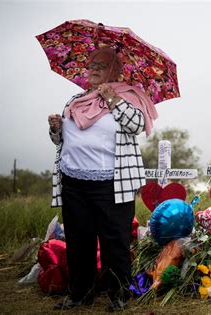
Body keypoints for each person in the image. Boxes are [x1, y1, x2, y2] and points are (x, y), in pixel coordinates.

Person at [48, 47, 156, 311]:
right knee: (78, 240)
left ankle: (118, 294)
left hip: (112, 183)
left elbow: (136, 125)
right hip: (74, 180)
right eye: (91, 64)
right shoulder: (75, 100)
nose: (93, 68)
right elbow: (61, 141)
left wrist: (112, 99)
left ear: (117, 71)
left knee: (114, 241)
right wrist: (56, 130)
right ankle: (79, 293)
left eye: (102, 65)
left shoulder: (127, 99)